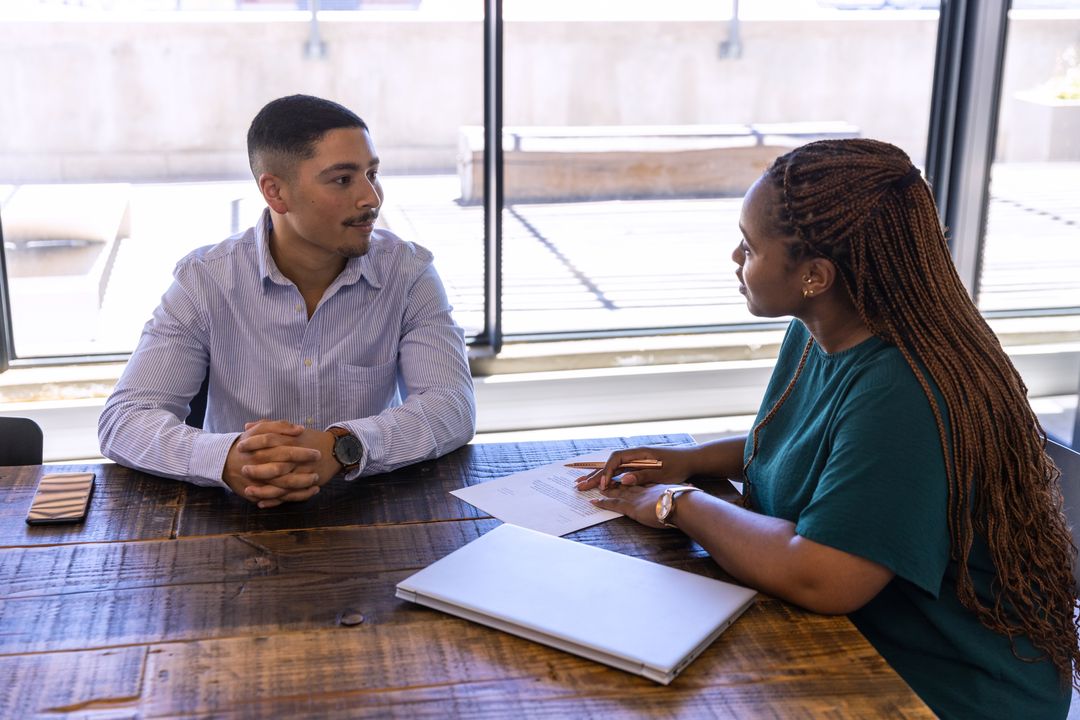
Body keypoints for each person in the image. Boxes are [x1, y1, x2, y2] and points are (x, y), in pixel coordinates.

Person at [577, 139, 1078, 719]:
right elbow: (825, 456)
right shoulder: (822, 330)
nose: (735, 257)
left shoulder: (905, 389)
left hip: (940, 687)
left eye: (750, 245)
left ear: (814, 274)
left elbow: (825, 577)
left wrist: (677, 503)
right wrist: (694, 460)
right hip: (852, 641)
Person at [99, 94, 476, 508]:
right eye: (343, 179)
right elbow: (125, 419)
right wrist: (225, 458)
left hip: (368, 505)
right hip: (237, 513)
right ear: (276, 192)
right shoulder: (205, 279)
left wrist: (342, 447)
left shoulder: (407, 272)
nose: (371, 198)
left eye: (372, 173)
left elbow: (452, 406)